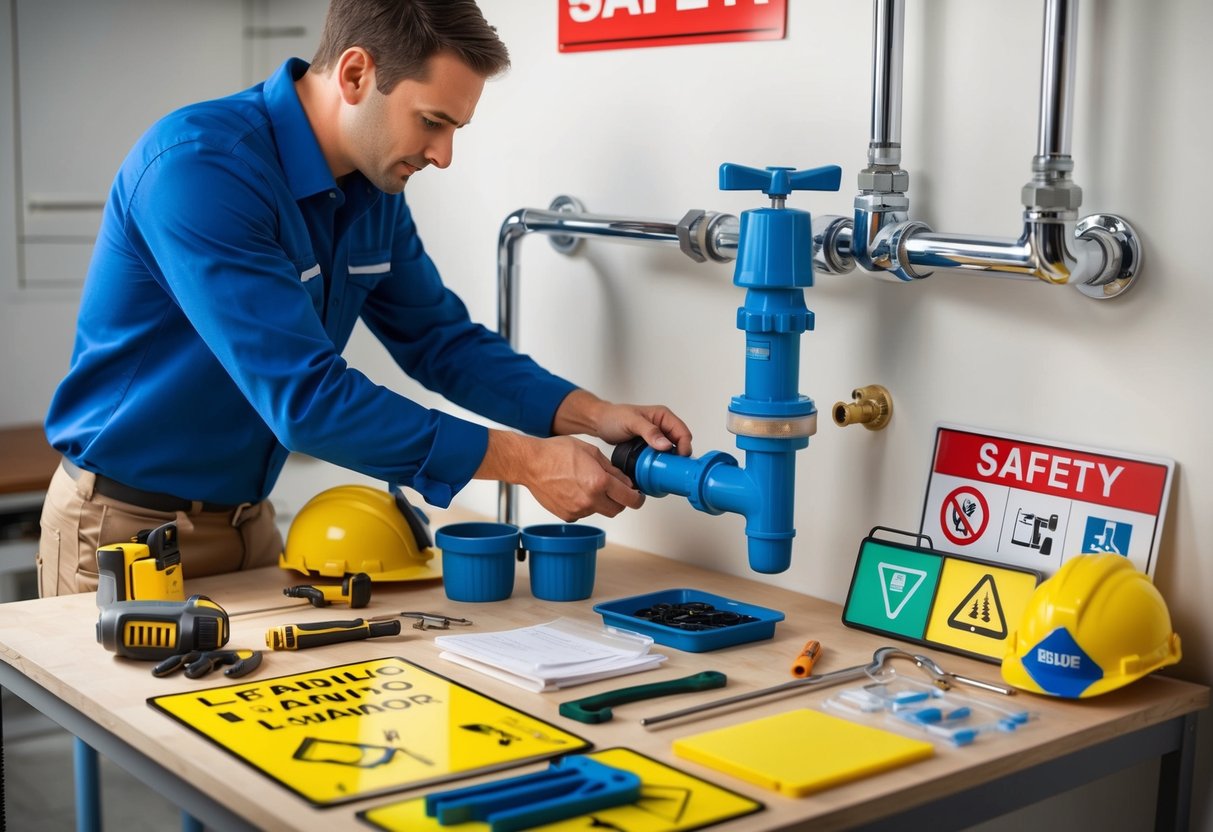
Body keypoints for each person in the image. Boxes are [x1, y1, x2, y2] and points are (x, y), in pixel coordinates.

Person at [37, 0, 692, 597]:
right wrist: (526, 462)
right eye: (432, 122)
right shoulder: (201, 169)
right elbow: (308, 401)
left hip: (252, 525)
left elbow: (440, 341)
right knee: (128, 726)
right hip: (124, 530)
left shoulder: (372, 191)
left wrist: (590, 414)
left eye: (456, 128)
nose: (443, 155)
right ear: (354, 75)